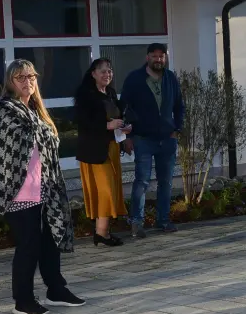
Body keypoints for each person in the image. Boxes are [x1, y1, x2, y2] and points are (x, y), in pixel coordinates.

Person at [0, 60, 84, 314]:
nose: (27, 82)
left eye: (31, 77)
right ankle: (22, 299)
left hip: (44, 187)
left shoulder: (34, 110)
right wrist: (40, 131)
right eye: (20, 77)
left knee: (51, 239)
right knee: (28, 246)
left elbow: (43, 139)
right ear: (10, 82)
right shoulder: (1, 110)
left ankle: (56, 289)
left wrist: (41, 129)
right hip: (16, 191)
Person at [121, 43, 185, 238]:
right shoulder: (135, 79)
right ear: (147, 57)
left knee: (166, 182)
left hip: (167, 139)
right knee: (142, 181)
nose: (158, 59)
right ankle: (137, 223)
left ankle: (163, 220)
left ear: (165, 58)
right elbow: (124, 108)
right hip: (143, 139)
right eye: (154, 56)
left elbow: (179, 106)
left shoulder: (170, 78)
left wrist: (177, 129)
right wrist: (128, 137)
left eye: (161, 56)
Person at [75, 58, 130, 247]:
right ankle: (102, 233)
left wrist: (124, 128)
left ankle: (102, 232)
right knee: (105, 190)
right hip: (94, 151)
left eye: (110, 71)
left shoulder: (111, 93)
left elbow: (118, 117)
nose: (107, 74)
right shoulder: (85, 95)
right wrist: (107, 125)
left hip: (112, 147)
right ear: (93, 74)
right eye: (103, 71)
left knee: (111, 189)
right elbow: (83, 123)